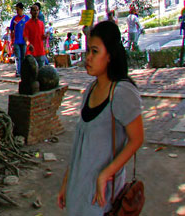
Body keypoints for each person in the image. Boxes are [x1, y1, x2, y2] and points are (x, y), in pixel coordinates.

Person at [57, 20, 143, 215]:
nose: (88, 57)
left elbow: (137, 139)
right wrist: (66, 182)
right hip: (78, 189)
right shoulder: (90, 90)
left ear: (110, 55)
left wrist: (106, 174)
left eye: (95, 52)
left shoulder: (122, 92)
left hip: (101, 195)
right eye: (88, 51)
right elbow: (80, 144)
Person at [9, 2, 30, 77]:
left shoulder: (26, 18)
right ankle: (18, 71)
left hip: (24, 40)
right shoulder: (14, 19)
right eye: (16, 10)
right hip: (16, 41)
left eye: (18, 9)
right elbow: (11, 30)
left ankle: (23, 71)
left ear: (21, 9)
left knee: (23, 57)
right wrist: (11, 40)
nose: (17, 11)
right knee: (18, 57)